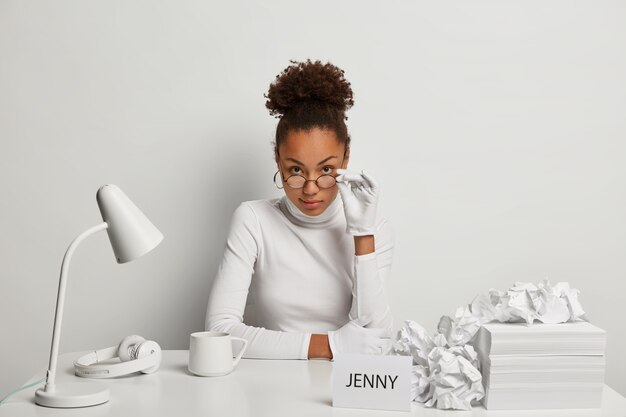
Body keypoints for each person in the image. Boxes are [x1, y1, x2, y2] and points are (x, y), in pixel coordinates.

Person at [205, 59, 394, 360]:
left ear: (346, 160)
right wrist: (330, 345)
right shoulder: (253, 220)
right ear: (277, 159)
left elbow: (376, 337)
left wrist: (362, 236)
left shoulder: (375, 229)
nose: (309, 188)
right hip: (275, 383)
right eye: (295, 169)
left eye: (326, 169)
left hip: (345, 387)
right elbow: (219, 332)